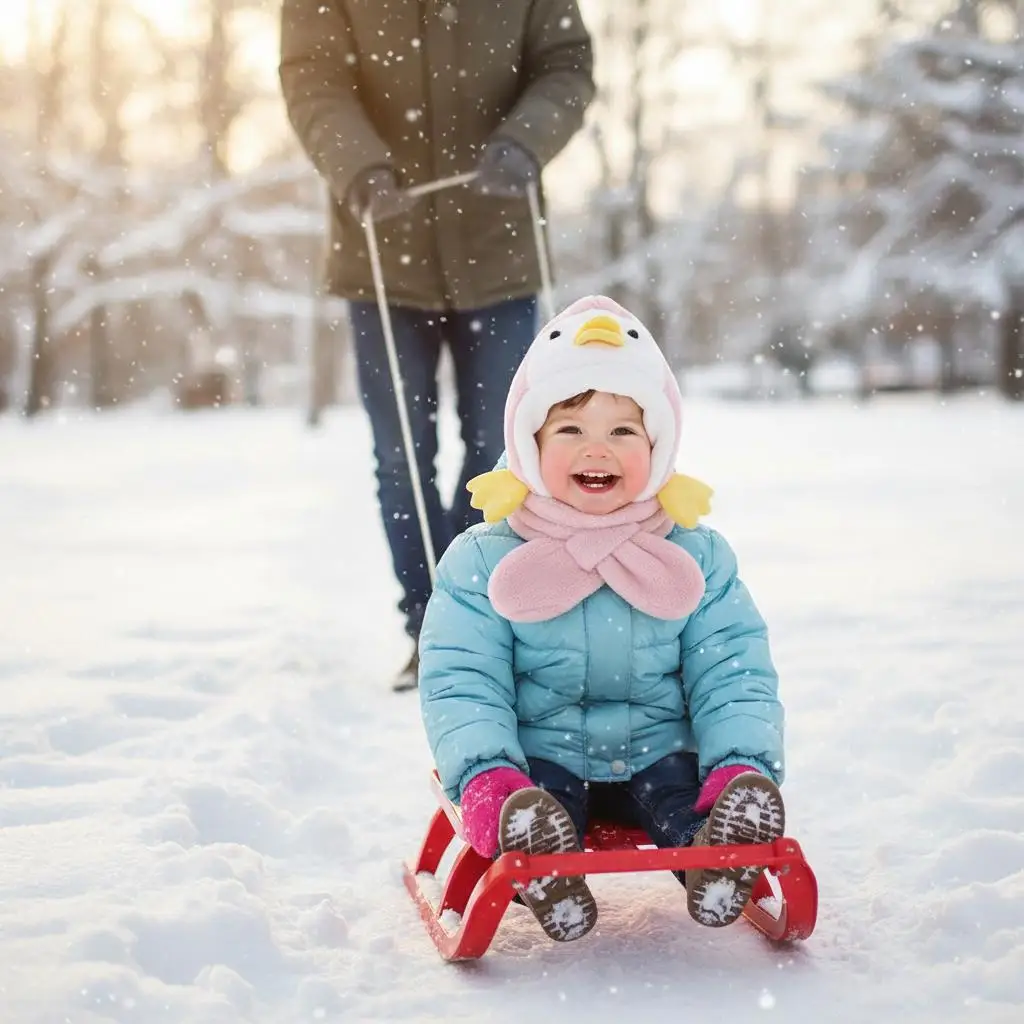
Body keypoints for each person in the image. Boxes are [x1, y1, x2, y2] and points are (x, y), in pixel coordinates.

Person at [418, 295, 786, 942]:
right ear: (529, 442)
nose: (599, 450)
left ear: (658, 444)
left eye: (623, 431)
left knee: (681, 794)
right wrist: (486, 777)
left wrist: (738, 764)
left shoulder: (693, 554)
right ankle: (539, 855)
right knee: (541, 805)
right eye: (570, 430)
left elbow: (734, 669)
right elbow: (463, 682)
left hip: (659, 751)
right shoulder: (484, 559)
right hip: (541, 758)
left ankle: (718, 851)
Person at [279, 1, 596, 690]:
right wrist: (357, 164)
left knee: (503, 448)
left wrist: (526, 139)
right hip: (381, 252)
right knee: (401, 458)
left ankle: (477, 622)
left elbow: (565, 65)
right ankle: (430, 628)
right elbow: (312, 77)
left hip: (499, 247)